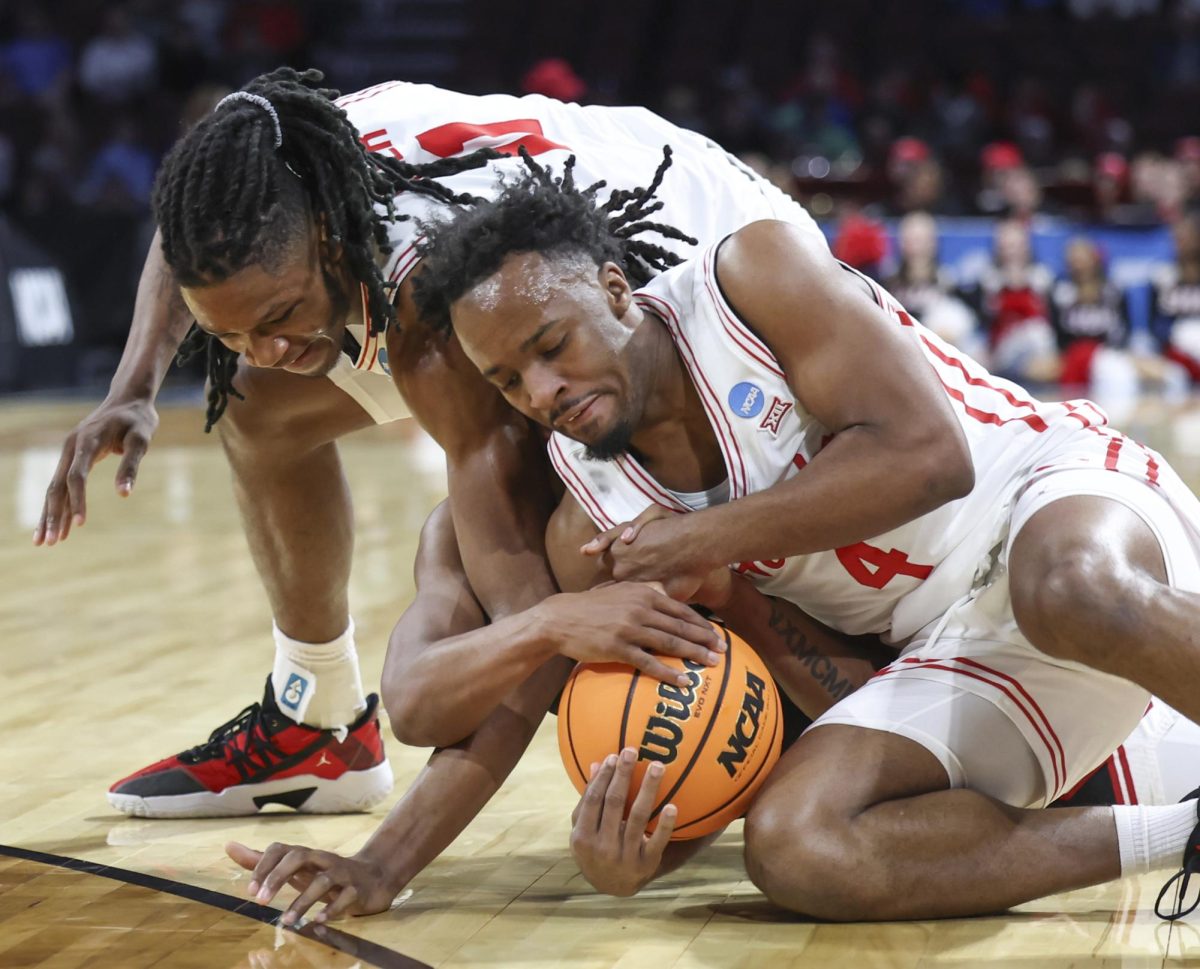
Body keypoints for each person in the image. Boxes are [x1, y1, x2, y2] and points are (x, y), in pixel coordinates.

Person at [401, 153, 1200, 921]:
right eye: (509, 380)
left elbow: (931, 458)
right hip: (946, 641)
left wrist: (698, 539)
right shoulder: (591, 521)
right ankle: (1184, 837)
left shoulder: (748, 279)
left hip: (1048, 492)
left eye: (551, 346)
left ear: (616, 292)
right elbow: (788, 709)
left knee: (1070, 590)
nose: (542, 390)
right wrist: (650, 843)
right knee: (795, 843)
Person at [34, 67, 828, 818]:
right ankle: (317, 718)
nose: (261, 346)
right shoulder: (261, 160)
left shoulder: (435, 300)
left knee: (559, 553)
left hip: (712, 254)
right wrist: (132, 390)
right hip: (560, 243)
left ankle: (806, 707)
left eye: (278, 317)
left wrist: (570, 664)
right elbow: (187, 238)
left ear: (327, 236)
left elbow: (522, 605)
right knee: (256, 407)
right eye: (227, 329)